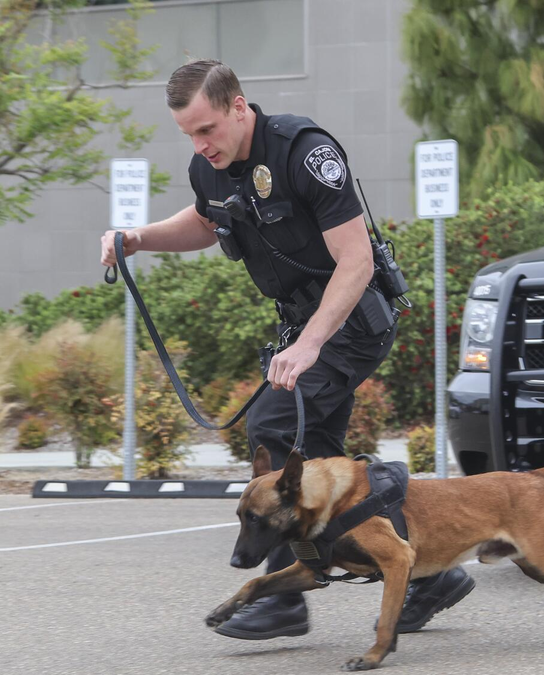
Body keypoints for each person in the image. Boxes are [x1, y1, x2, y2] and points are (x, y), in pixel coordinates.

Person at [99, 59, 474, 640]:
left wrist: (308, 345)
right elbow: (205, 223)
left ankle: (283, 601)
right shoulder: (212, 168)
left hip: (351, 319)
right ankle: (429, 577)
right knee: (319, 462)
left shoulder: (304, 152)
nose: (201, 146)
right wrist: (138, 238)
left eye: (207, 130)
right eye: (189, 136)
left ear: (239, 107)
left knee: (275, 427)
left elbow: (356, 261)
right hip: (304, 325)